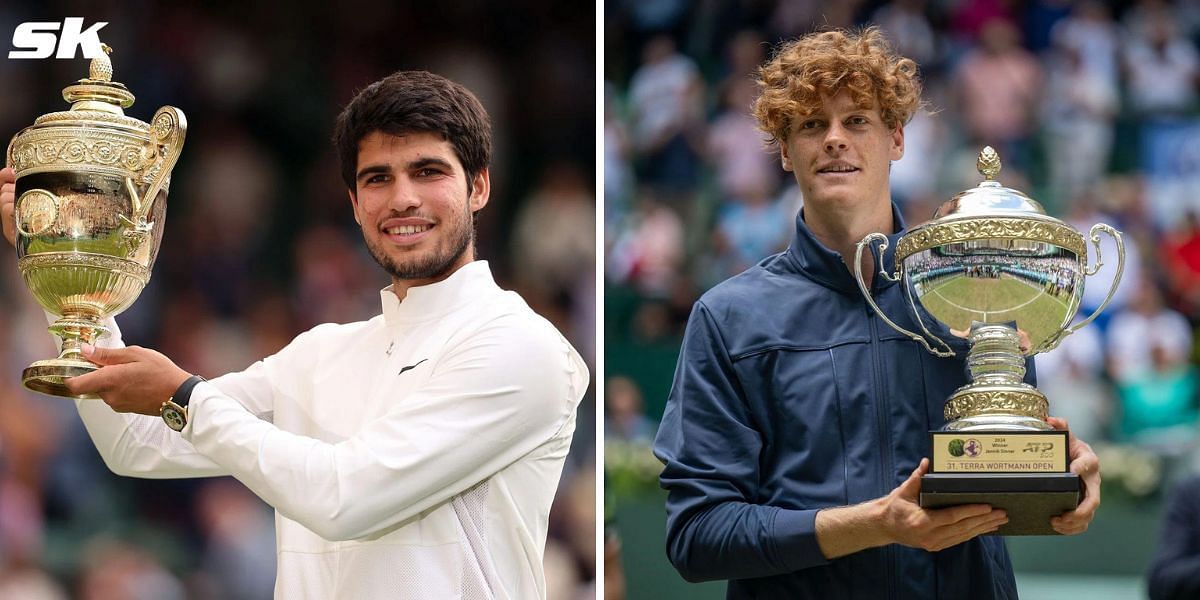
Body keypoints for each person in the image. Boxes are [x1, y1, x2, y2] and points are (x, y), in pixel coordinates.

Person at [0, 70, 589, 599]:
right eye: (378, 179)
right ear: (356, 204)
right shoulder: (321, 352)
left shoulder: (525, 348)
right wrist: (69, 275)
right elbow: (136, 444)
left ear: (479, 187)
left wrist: (184, 396)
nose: (403, 198)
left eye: (428, 172)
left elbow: (346, 497)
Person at [652, 28, 1100, 598]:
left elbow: (1003, 463)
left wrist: (1065, 473)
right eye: (813, 124)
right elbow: (697, 534)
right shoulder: (728, 318)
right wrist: (874, 524)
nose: (835, 139)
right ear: (786, 152)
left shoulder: (974, 289)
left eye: (857, 121)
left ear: (896, 139)